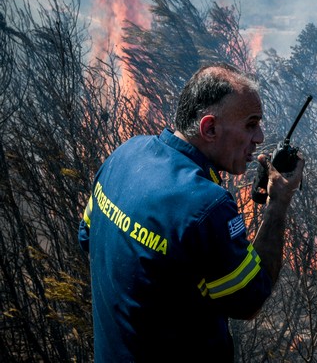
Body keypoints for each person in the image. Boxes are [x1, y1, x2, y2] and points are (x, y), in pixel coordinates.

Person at [78, 63, 304, 362]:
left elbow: (88, 239)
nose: (260, 137)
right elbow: (249, 298)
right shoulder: (206, 205)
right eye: (251, 124)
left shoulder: (125, 153)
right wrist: (277, 203)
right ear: (209, 128)